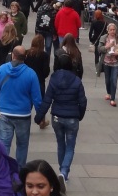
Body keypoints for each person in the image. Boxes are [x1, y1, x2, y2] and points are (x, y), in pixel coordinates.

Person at [34, 52, 87, 183]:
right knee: (70, 146)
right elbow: (83, 101)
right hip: (72, 117)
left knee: (60, 144)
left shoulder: (54, 79)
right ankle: (64, 172)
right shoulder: (76, 80)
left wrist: (39, 117)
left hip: (57, 116)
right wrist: (79, 115)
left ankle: (62, 171)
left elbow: (47, 100)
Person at [0, 46, 42, 166]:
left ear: (12, 55)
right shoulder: (31, 74)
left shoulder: (2, 69)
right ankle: (20, 171)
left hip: (4, 113)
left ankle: (3, 169)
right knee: (22, 145)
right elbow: (37, 98)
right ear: (25, 57)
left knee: (4, 145)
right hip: (23, 114)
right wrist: (40, 115)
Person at [96, 22, 118, 107]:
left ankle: (112, 99)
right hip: (106, 63)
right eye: (111, 30)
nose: (112, 31)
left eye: (114, 30)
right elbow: (99, 49)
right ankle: (108, 93)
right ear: (108, 30)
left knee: (113, 80)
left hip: (116, 63)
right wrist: (108, 46)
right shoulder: (104, 38)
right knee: (107, 80)